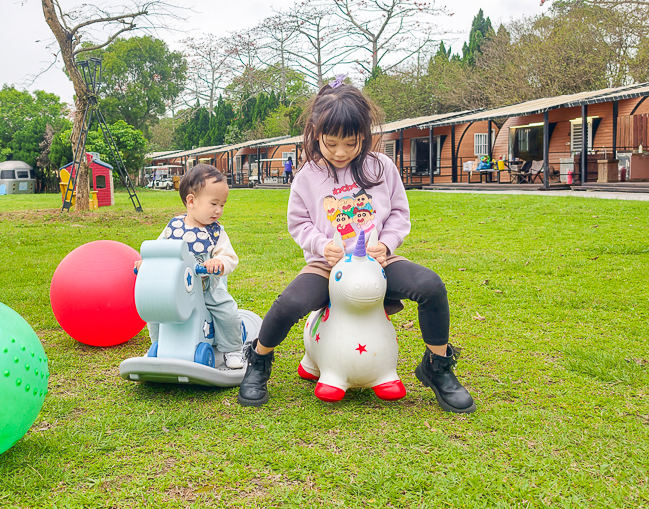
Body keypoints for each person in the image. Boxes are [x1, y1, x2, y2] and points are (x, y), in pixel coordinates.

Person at [237, 78, 475, 413]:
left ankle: (438, 367)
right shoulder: (307, 176)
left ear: (363, 134)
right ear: (315, 132)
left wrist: (387, 246)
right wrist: (322, 246)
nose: (340, 152)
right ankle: (259, 360)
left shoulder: (381, 168)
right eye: (330, 143)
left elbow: (398, 215)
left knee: (430, 286)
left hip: (377, 263)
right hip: (329, 264)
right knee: (290, 303)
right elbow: (299, 223)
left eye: (350, 143)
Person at [134, 164, 245, 368]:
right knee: (157, 308)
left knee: (226, 311)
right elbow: (158, 251)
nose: (219, 210)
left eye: (222, 205)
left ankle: (232, 348)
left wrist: (219, 262)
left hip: (206, 289)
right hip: (176, 288)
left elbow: (230, 257)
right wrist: (147, 263)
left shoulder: (216, 232)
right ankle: (159, 344)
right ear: (191, 201)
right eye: (214, 203)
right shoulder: (173, 227)